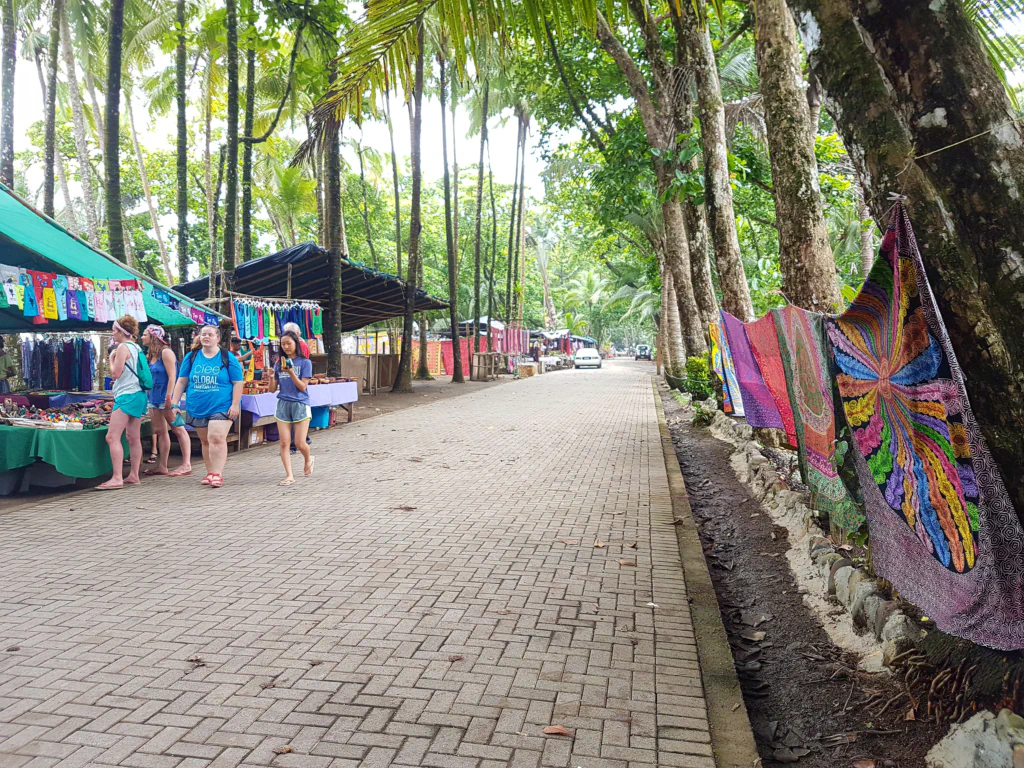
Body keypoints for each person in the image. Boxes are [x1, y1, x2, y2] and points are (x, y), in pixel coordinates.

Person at [169, 324, 244, 488]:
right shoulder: (191, 357)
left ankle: (218, 474)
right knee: (205, 441)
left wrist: (235, 404)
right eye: (203, 334)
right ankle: (210, 472)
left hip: (222, 405)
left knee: (216, 437)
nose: (206, 337)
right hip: (197, 405)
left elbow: (238, 382)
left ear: (217, 338)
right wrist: (175, 403)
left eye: (210, 334)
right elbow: (182, 381)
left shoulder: (227, 357)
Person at [97, 315, 148, 490]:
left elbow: (115, 374)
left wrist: (111, 360)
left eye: (114, 331)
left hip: (126, 395)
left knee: (112, 437)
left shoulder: (122, 348)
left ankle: (117, 478)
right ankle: (134, 474)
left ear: (121, 331)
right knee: (133, 437)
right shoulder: (137, 348)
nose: (113, 334)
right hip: (139, 395)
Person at [263, 331, 314, 486]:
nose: (286, 347)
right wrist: (271, 376)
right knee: (284, 442)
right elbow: (272, 390)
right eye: (283, 344)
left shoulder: (305, 363)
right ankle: (289, 475)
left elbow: (302, 386)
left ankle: (308, 458)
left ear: (296, 343)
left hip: (300, 403)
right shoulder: (279, 363)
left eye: (289, 343)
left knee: (299, 442)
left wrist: (291, 372)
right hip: (283, 404)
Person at [142, 326, 193, 478]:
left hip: (166, 397)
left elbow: (173, 376)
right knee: (160, 431)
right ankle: (162, 465)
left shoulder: (166, 352)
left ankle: (186, 463)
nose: (142, 337)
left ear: (153, 336)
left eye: (145, 334)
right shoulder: (150, 355)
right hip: (154, 398)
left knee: (178, 428)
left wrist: (170, 397)